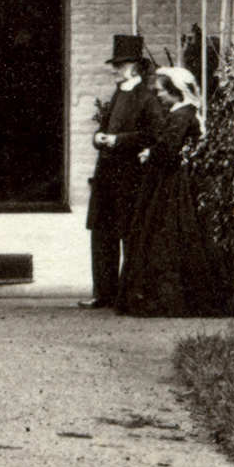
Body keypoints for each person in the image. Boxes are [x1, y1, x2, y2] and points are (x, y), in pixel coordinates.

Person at [125, 63, 225, 315]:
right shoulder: (187, 112)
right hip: (181, 180)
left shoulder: (181, 115)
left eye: (161, 91)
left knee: (169, 237)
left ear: (175, 91)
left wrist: (150, 154)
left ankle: (173, 299)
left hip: (178, 184)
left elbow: (169, 149)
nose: (158, 95)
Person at [85, 34, 158, 307]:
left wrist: (119, 140)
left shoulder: (147, 98)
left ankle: (128, 294)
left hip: (129, 177)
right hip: (106, 175)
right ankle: (103, 293)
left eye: (120, 64)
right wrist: (99, 138)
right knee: (102, 232)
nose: (115, 69)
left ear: (135, 66)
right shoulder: (117, 94)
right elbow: (103, 126)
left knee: (128, 232)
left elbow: (153, 134)